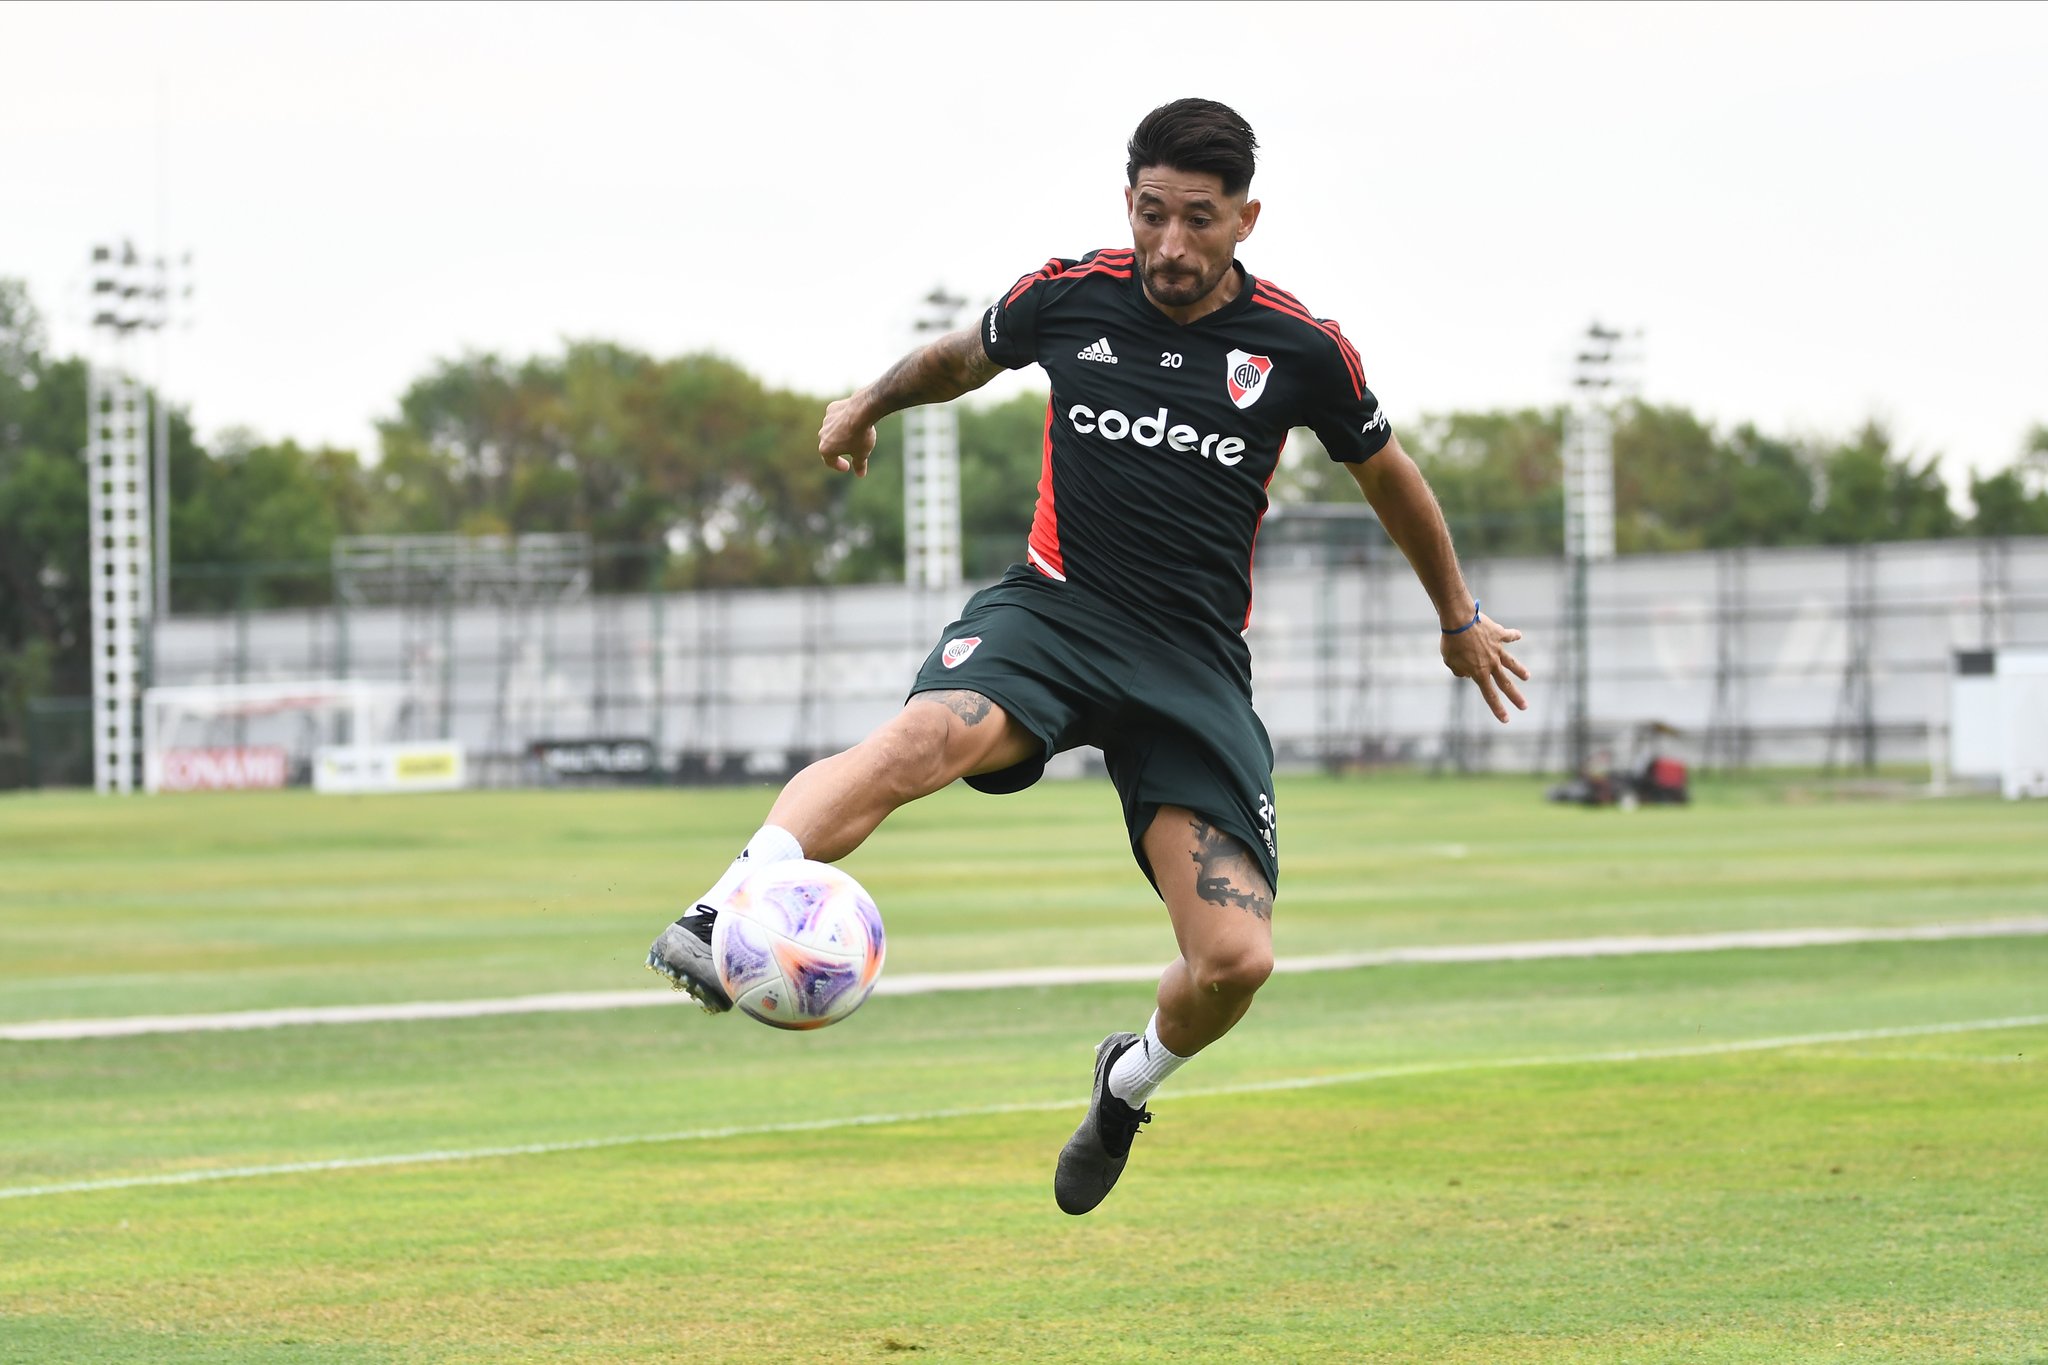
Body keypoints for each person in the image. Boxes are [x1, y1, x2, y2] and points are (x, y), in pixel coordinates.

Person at [649, 97, 1529, 1215]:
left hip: (1189, 668)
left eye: (1197, 221)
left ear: (1244, 220)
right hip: (1054, 617)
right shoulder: (1066, 298)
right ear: (1129, 203)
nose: (1170, 243)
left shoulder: (1299, 349)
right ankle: (722, 908)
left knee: (1234, 964)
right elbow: (956, 359)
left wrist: (1456, 619)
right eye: (1151, 214)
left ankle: (1124, 1085)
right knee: (924, 737)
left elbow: (1389, 474)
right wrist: (864, 405)